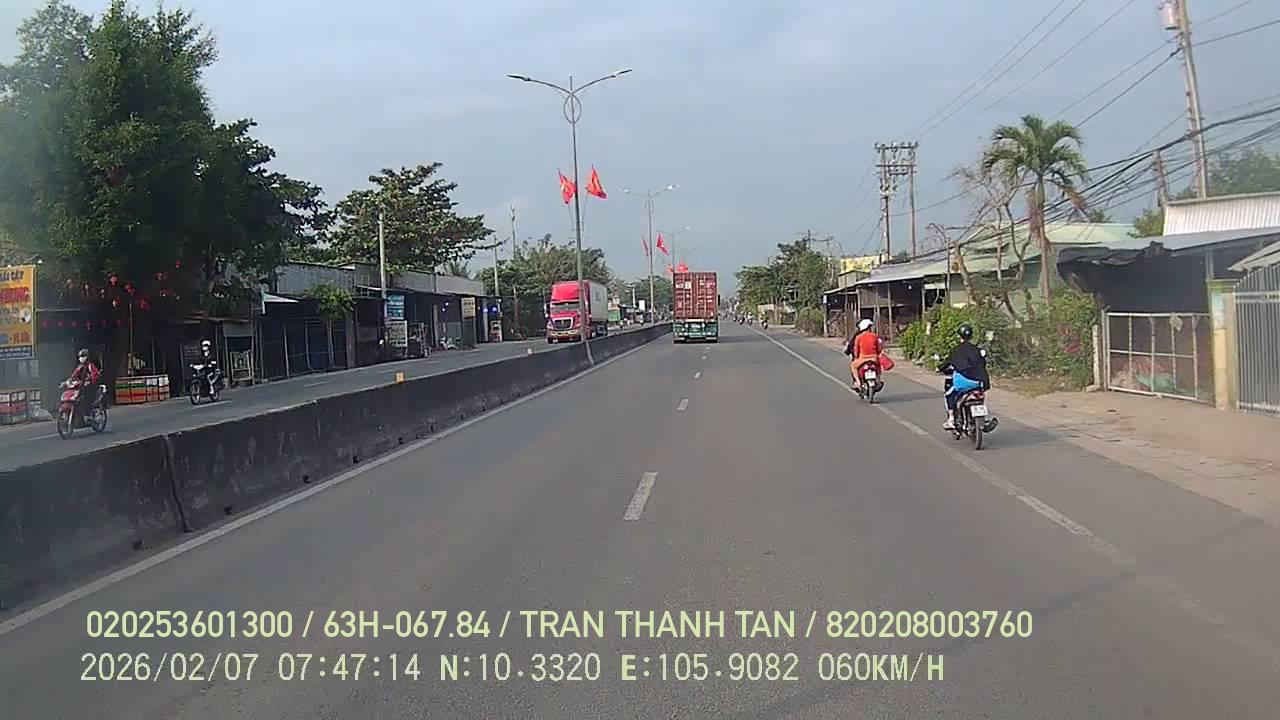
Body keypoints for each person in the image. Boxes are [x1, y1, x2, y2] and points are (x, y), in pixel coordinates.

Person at [937, 324, 990, 430]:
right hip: (979, 382)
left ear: (959, 336)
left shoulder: (956, 350)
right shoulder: (976, 350)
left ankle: (951, 419)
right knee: (980, 395)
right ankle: (983, 420)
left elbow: (947, 363)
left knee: (949, 394)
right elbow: (983, 364)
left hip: (963, 382)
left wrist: (939, 368)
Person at [845, 319, 883, 391]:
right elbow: (879, 349)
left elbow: (856, 350)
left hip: (863, 359)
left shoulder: (858, 337)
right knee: (878, 367)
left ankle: (858, 383)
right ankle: (878, 380)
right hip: (874, 358)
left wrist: (856, 358)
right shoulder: (875, 336)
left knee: (853, 366)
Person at [68, 348, 100, 413]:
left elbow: (94, 374)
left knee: (86, 396)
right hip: (81, 384)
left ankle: (88, 409)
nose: (81, 358)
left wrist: (90, 380)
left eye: (83, 356)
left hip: (90, 385)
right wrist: (70, 380)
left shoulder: (90, 365)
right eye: (80, 357)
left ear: (86, 357)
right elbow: (74, 375)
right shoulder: (80, 367)